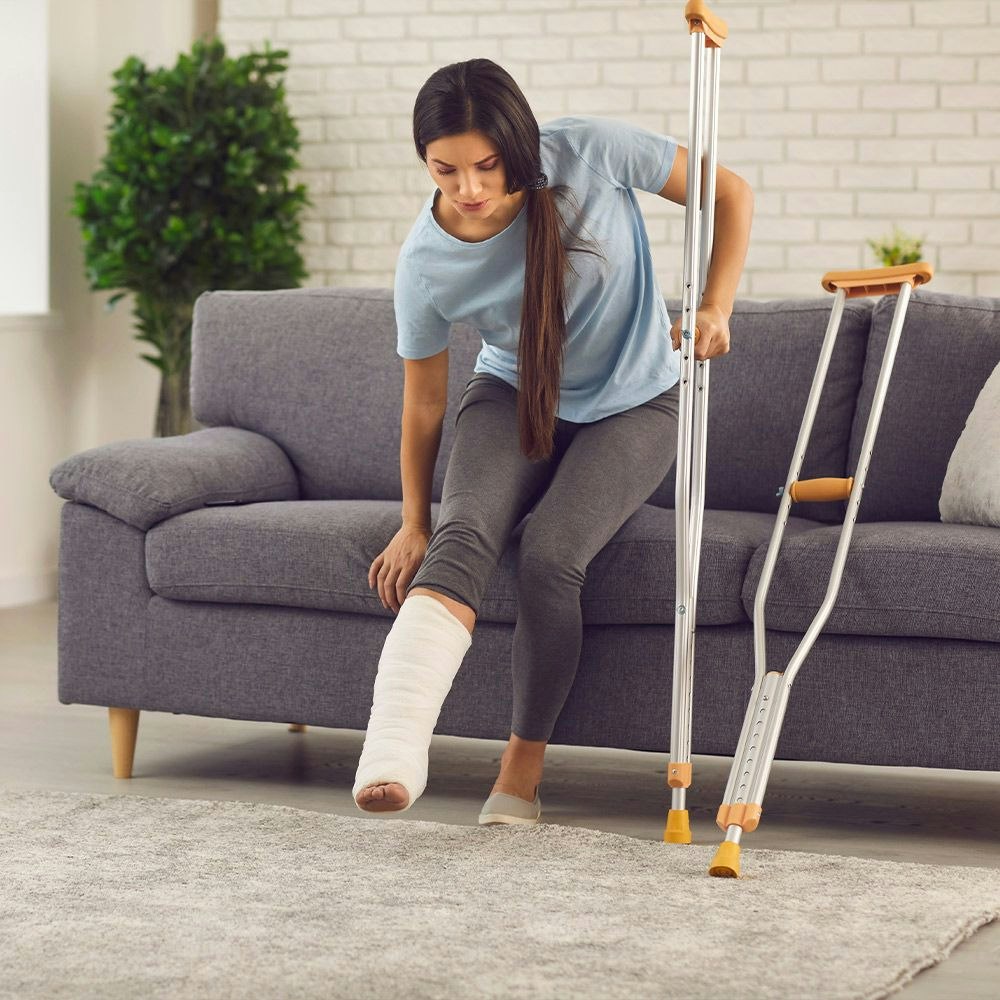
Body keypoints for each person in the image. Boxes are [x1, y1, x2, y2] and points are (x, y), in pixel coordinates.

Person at [353, 58, 753, 821]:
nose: (469, 189)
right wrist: (413, 520)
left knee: (549, 555)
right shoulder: (426, 260)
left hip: (637, 402)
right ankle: (395, 750)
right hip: (512, 395)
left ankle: (519, 775)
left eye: (486, 165)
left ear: (517, 143)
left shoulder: (591, 151)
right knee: (463, 534)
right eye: (445, 170)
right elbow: (425, 402)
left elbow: (730, 192)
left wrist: (716, 305)